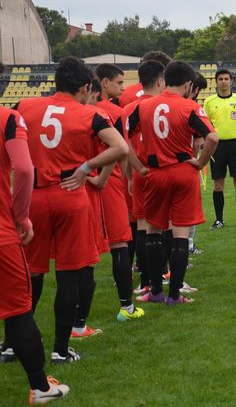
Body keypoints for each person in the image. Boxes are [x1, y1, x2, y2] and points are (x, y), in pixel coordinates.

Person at [17, 57, 127, 363]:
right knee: (68, 276)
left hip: (36, 197)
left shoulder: (25, 107)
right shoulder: (89, 113)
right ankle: (61, 349)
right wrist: (87, 167)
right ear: (84, 87)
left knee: (33, 274)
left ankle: (13, 342)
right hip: (71, 195)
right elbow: (121, 148)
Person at [0, 62, 70, 403]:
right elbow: (25, 170)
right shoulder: (7, 118)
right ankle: (40, 387)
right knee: (17, 308)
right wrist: (22, 217)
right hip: (2, 232)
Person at [128, 61, 217, 305]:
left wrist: (137, 166)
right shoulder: (190, 106)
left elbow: (123, 136)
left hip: (154, 173)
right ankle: (175, 294)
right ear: (188, 84)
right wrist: (199, 163)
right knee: (180, 232)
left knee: (153, 231)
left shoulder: (144, 106)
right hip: (182, 172)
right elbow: (213, 137)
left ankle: (155, 290)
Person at [93, 63, 145, 322]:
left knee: (79, 253)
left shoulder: (75, 110)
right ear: (104, 83)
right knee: (119, 243)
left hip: (76, 182)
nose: (122, 88)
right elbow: (122, 149)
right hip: (108, 180)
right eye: (119, 83)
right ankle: (126, 305)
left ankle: (77, 322)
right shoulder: (114, 111)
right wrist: (128, 177)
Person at [124, 60, 166, 296]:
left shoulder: (129, 108)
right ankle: (163, 277)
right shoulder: (167, 104)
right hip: (162, 171)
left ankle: (146, 281)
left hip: (141, 171)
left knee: (141, 225)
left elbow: (123, 143)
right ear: (160, 81)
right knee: (165, 226)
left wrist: (134, 170)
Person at [204, 68, 236, 229]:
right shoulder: (209, 101)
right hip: (216, 147)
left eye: (226, 79)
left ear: (231, 81)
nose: (224, 81)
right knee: (218, 184)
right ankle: (219, 220)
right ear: (216, 82)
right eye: (221, 79)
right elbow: (204, 125)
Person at [187, 73, 208, 256]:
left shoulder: (148, 104)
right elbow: (203, 140)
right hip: (185, 167)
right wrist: (198, 161)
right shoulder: (192, 108)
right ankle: (188, 245)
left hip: (153, 168)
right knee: (187, 210)